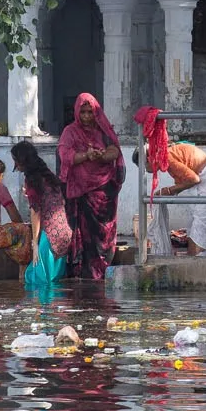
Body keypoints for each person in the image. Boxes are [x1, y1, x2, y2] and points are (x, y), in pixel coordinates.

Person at [57, 93, 125, 279]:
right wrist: (86, 155)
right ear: (77, 112)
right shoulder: (70, 132)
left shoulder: (103, 130)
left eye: (90, 112)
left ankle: (103, 269)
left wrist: (102, 155)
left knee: (103, 233)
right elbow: (66, 156)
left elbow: (114, 150)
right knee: (85, 233)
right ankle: (85, 272)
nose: (87, 116)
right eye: (83, 112)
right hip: (81, 191)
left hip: (104, 190)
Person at [138, 140, 206, 256]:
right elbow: (187, 180)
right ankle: (193, 254)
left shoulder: (166, 157)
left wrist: (169, 191)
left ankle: (195, 258)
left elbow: (193, 180)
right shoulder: (164, 157)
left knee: (201, 219)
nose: (147, 170)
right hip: (203, 176)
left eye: (145, 166)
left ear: (149, 159)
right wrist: (170, 191)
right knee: (193, 219)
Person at [11, 140, 73, 286]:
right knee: (54, 283)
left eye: (15, 160)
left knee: (36, 281)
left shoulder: (32, 181)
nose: (15, 165)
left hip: (49, 237)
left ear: (21, 161)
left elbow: (36, 214)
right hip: (64, 233)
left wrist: (35, 244)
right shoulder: (48, 176)